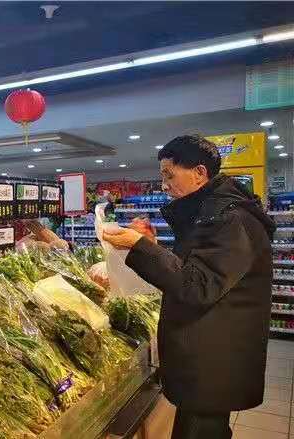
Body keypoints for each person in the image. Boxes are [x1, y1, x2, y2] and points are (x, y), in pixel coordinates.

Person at [101, 135, 275, 439]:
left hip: (213, 361)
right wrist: (151, 246)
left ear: (199, 173)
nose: (164, 185)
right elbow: (198, 269)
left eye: (169, 175)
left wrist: (141, 247)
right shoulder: (214, 214)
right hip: (210, 355)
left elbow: (197, 286)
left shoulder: (232, 220)